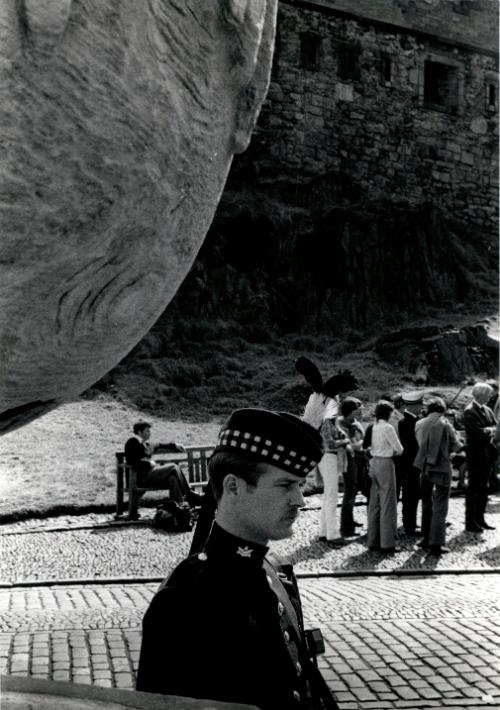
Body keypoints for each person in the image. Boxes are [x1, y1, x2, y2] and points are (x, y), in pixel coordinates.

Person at [137, 408, 339, 709]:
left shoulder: (274, 567)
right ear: (233, 486)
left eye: (299, 484)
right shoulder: (185, 597)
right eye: (285, 485)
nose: (300, 499)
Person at [414, 397, 463, 555]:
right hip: (441, 467)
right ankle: (436, 543)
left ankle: (425, 539)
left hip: (425, 466)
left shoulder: (419, 423)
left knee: (426, 503)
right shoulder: (445, 424)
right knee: (441, 504)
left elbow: (420, 444)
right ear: (442, 409)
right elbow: (456, 446)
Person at [124, 422, 202, 509]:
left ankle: (178, 507)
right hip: (140, 477)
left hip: (151, 476)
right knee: (173, 466)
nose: (149, 433)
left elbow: (160, 444)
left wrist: (175, 445)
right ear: (139, 432)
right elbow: (131, 461)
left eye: (149, 431)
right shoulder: (132, 442)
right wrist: (148, 463)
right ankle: (189, 493)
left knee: (173, 478)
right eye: (147, 431)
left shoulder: (147, 444)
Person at [365, 400, 403, 554]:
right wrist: (392, 453)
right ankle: (388, 542)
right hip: (385, 463)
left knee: (374, 502)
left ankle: (373, 540)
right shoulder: (388, 428)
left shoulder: (373, 427)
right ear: (388, 413)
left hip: (373, 463)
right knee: (388, 502)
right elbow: (399, 449)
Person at [463, 383, 497, 532]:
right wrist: (490, 431)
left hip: (487, 455)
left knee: (484, 488)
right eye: (488, 394)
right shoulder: (470, 411)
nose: (490, 397)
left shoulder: (488, 410)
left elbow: (496, 428)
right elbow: (478, 434)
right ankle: (470, 521)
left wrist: (489, 430)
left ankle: (480, 518)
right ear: (480, 395)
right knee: (474, 488)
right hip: (476, 455)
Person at [317, 399, 350, 546]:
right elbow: (329, 443)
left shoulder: (330, 423)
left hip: (330, 457)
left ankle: (324, 531)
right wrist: (344, 442)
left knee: (328, 495)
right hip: (328, 457)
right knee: (332, 496)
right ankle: (332, 534)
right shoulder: (325, 423)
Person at [336, 397, 365, 537]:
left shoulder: (356, 423)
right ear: (348, 411)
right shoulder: (340, 424)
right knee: (349, 491)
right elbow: (346, 444)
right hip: (348, 461)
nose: (358, 414)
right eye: (356, 412)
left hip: (359, 459)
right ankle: (345, 526)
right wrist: (358, 445)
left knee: (355, 490)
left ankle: (350, 519)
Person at [398, 391, 425, 536]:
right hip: (410, 465)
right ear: (415, 405)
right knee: (410, 495)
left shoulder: (414, 420)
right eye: (420, 404)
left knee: (414, 495)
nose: (422, 407)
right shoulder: (406, 422)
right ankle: (409, 526)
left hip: (413, 464)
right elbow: (411, 446)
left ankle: (411, 523)